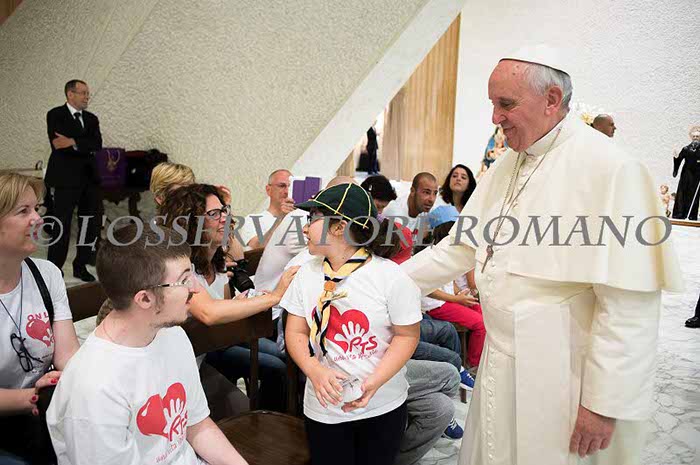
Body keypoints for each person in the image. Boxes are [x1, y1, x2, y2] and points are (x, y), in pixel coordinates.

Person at [401, 44, 682, 465]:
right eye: (492, 104)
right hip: (500, 361)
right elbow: (459, 247)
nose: (495, 118)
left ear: (551, 99)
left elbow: (630, 305)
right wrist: (379, 282)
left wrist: (604, 404)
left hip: (565, 373)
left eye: (505, 104)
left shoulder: (613, 169)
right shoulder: (507, 164)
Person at [46, 224, 247, 464]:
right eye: (184, 280)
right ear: (144, 299)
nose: (195, 287)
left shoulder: (172, 335)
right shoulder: (95, 388)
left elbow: (196, 424)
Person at [282, 183, 421, 465]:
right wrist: (313, 369)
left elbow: (407, 335)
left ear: (339, 227)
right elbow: (295, 330)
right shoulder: (306, 274)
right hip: (324, 409)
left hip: (382, 404)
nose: (305, 228)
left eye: (313, 219)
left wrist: (376, 380)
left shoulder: (390, 277)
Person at [157, 183, 297, 411]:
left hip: (210, 345)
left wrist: (235, 304)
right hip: (176, 365)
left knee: (285, 357)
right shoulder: (179, 266)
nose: (225, 218)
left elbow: (219, 309)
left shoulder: (217, 263)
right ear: (191, 224)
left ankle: (269, 418)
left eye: (224, 211)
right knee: (276, 367)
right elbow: (209, 313)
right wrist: (275, 296)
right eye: (214, 214)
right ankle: (261, 419)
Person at [0, 173, 80, 463]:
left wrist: (65, 379)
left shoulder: (47, 274)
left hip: (43, 413)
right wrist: (34, 396)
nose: (38, 219)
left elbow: (68, 355)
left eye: (37, 208)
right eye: (23, 211)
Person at [45, 79, 103, 282]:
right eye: (83, 93)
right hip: (65, 178)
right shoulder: (55, 115)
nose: (87, 97)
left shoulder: (92, 119)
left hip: (89, 178)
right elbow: (57, 144)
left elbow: (97, 144)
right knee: (61, 223)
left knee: (89, 223)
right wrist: (83, 145)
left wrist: (73, 141)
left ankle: (81, 265)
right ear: (70, 94)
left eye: (88, 93)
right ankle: (54, 268)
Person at [420, 206, 485, 369]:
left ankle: (481, 360)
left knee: (483, 312)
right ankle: (473, 365)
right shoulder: (430, 254)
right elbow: (430, 289)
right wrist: (457, 299)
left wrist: (461, 295)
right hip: (436, 305)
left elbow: (450, 282)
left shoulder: (447, 252)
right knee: (480, 323)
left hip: (448, 300)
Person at [239, 169, 296, 249]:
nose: (287, 191)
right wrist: (281, 219)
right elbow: (258, 247)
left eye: (290, 187)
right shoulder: (251, 220)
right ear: (268, 190)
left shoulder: (301, 218)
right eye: (281, 186)